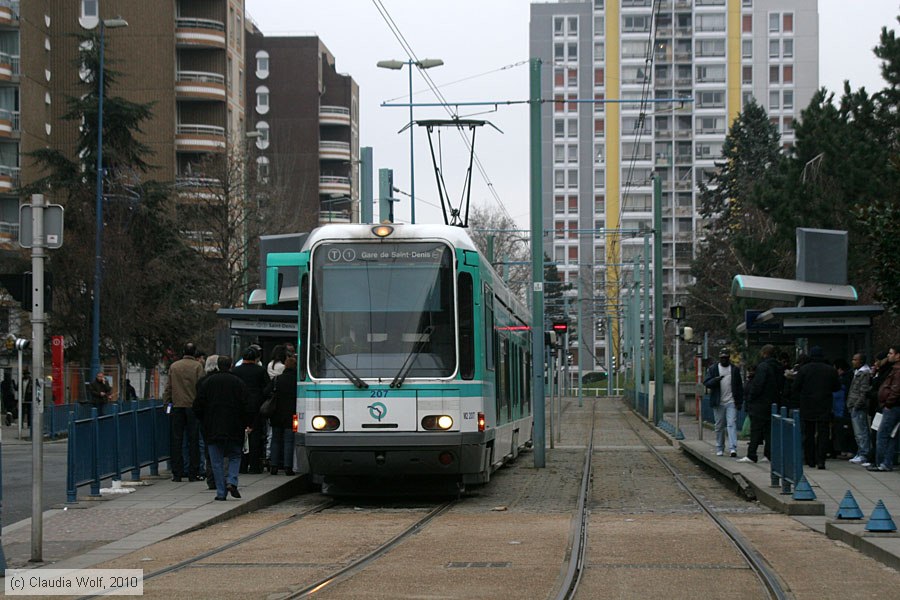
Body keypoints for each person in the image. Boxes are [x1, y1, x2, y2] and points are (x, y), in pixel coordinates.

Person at [193, 355, 252, 500]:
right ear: (231, 365)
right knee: (235, 456)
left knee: (216, 460)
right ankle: (232, 480)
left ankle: (220, 492)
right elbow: (247, 405)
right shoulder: (238, 382)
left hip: (212, 427)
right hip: (234, 426)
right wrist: (247, 423)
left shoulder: (207, 383)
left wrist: (204, 420)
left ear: (218, 366)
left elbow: (197, 406)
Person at [792, 346, 841, 469]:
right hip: (824, 405)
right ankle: (821, 460)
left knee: (809, 433)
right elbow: (837, 387)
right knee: (823, 433)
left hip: (807, 405)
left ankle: (810, 459)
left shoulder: (804, 370)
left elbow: (795, 387)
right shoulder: (830, 370)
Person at [164, 342, 205, 482]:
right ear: (194, 353)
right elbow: (201, 387)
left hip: (177, 406)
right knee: (194, 440)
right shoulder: (198, 366)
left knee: (177, 440)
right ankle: (193, 472)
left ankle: (177, 472)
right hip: (193, 407)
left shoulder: (174, 366)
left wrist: (167, 404)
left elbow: (169, 387)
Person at [740, 344, 783, 463]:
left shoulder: (763, 367)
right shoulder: (779, 367)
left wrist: (751, 398)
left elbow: (758, 385)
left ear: (764, 353)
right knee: (769, 430)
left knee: (756, 430)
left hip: (760, 403)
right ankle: (768, 454)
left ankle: (751, 454)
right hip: (773, 403)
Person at [232, 346, 270, 474]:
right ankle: (254, 465)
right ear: (255, 358)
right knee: (256, 436)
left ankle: (242, 465)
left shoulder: (236, 371)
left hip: (239, 407)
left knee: (240, 435)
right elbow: (267, 388)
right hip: (256, 406)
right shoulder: (260, 371)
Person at [703, 347, 743, 458]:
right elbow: (706, 383)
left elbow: (739, 387)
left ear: (728, 358)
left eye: (726, 358)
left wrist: (739, 402)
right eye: (722, 358)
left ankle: (732, 448)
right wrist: (715, 380)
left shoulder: (734, 370)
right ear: (719, 358)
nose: (724, 360)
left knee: (731, 424)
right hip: (718, 402)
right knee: (719, 425)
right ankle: (720, 447)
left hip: (731, 402)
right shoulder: (713, 369)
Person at [869, 345, 900, 472]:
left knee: (883, 434)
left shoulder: (897, 371)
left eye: (891, 353)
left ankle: (881, 462)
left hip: (892, 407)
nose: (889, 355)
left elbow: (896, 390)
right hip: (892, 405)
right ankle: (886, 462)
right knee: (892, 435)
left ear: (898, 355)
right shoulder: (894, 369)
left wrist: (888, 403)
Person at [266, 353, 297, 475]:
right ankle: (288, 467)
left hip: (276, 413)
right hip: (291, 414)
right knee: (289, 440)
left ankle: (274, 465)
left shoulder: (277, 379)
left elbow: (266, 391)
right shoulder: (296, 381)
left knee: (275, 439)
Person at [846, 353, 872, 465]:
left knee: (861, 431)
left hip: (858, 406)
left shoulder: (864, 374)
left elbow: (863, 391)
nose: (853, 361)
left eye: (855, 359)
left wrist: (856, 405)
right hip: (854, 405)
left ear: (861, 361)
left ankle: (864, 454)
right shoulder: (858, 373)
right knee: (858, 432)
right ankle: (860, 452)